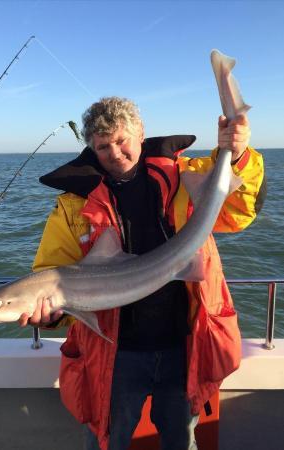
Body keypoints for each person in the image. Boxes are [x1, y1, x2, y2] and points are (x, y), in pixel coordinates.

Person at [19, 97, 266, 450]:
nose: (115, 152)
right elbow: (49, 273)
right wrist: (50, 315)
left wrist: (236, 153)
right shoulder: (75, 204)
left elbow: (240, 212)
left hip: (185, 342)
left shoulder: (185, 176)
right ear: (92, 147)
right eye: (103, 146)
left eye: (122, 140)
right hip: (115, 354)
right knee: (107, 440)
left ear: (141, 133)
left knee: (182, 440)